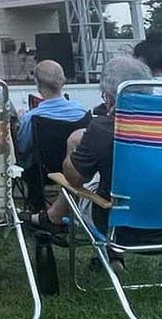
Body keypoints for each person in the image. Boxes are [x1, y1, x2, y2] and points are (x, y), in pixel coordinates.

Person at [37, 55, 153, 239]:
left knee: (89, 182)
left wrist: (73, 146)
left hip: (121, 227)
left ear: (108, 97)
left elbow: (75, 180)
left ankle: (55, 217)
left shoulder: (104, 129)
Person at [14, 59, 89, 160]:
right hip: (77, 171)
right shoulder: (81, 111)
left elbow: (22, 149)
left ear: (37, 84)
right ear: (62, 81)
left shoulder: (31, 118)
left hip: (45, 174)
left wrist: (21, 122)